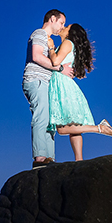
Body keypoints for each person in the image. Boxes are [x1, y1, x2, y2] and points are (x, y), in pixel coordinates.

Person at [46, 23, 112, 161]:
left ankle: (99, 128)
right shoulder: (70, 45)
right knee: (73, 127)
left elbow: (55, 61)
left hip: (62, 86)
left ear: (71, 33)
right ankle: (79, 160)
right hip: (66, 85)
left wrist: (51, 46)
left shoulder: (68, 43)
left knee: (62, 129)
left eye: (66, 26)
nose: (63, 28)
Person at [22, 9, 74, 169]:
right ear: (52, 19)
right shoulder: (39, 34)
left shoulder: (50, 41)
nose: (62, 27)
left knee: (50, 122)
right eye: (61, 22)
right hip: (37, 80)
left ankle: (50, 159)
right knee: (41, 116)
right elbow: (37, 56)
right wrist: (59, 69)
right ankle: (40, 158)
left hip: (46, 83)